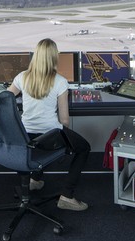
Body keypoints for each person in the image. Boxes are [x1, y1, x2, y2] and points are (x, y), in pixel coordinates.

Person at [8, 38, 91, 211]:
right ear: (54, 58)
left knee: (37, 148)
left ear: (35, 56)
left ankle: (35, 180)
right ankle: (67, 196)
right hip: (49, 137)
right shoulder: (60, 81)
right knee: (83, 147)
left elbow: (4, 100)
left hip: (24, 136)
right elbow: (64, 120)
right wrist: (67, 141)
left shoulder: (21, 77)